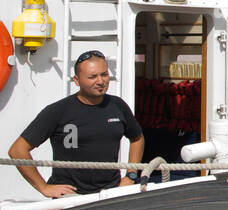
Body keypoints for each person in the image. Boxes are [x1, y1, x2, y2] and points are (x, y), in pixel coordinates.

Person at [10, 50, 145, 196]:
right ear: (76, 80)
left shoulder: (118, 105)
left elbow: (137, 138)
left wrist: (131, 175)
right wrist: (44, 188)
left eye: (104, 74)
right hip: (71, 197)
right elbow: (18, 150)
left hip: (111, 193)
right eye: (92, 76)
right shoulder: (58, 111)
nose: (100, 81)